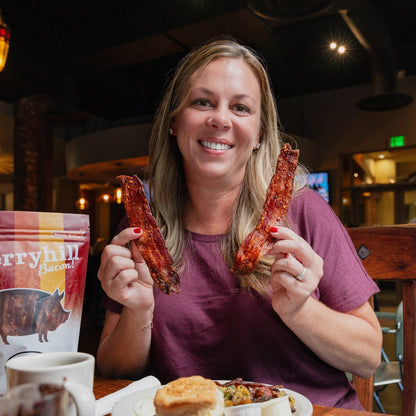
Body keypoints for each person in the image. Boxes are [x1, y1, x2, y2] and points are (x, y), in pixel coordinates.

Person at [96, 37, 382, 410]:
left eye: (241, 107)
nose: (220, 119)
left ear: (261, 133)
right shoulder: (141, 230)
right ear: (173, 121)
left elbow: (368, 356)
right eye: (202, 102)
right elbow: (115, 368)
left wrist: (299, 310)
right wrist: (139, 310)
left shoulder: (304, 212)